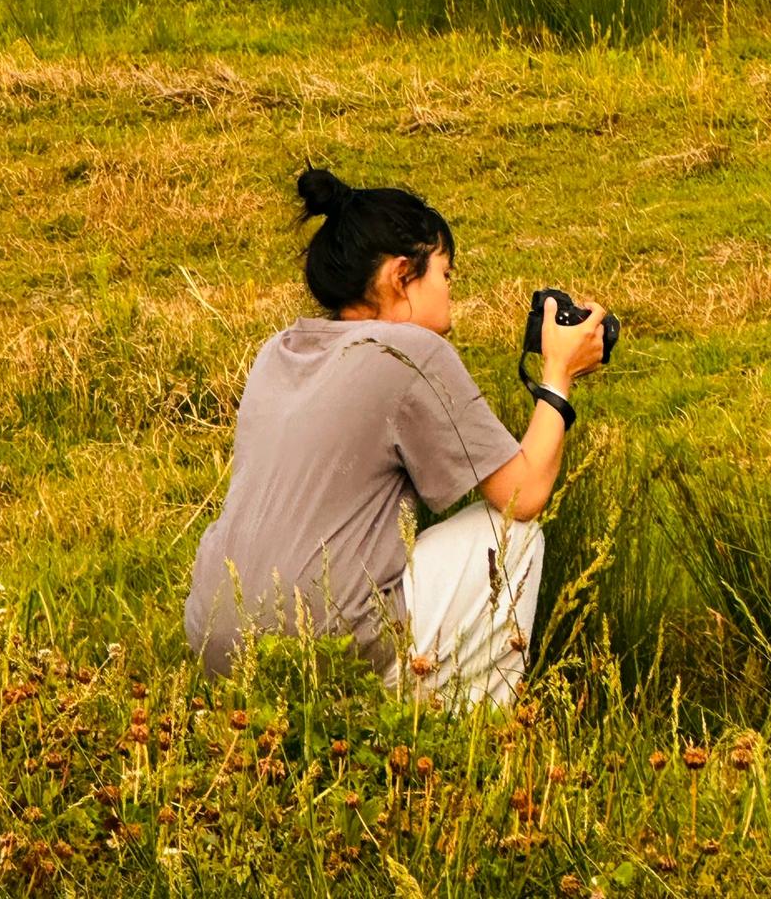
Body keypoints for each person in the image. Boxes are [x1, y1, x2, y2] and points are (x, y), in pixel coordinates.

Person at [184, 167, 608, 706]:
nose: (452, 300)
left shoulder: (278, 352)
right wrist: (558, 375)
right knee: (514, 539)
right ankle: (475, 729)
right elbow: (522, 496)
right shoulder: (408, 351)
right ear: (401, 274)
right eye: (447, 276)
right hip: (324, 647)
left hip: (217, 646)